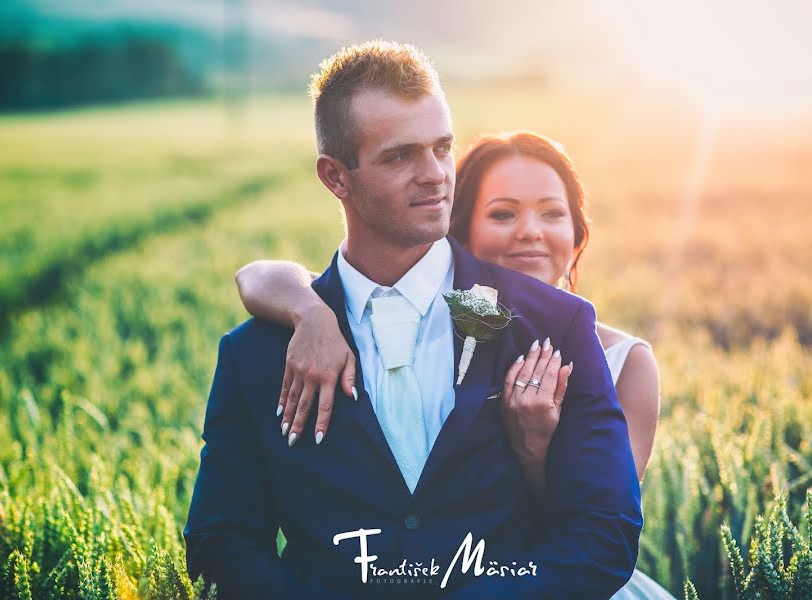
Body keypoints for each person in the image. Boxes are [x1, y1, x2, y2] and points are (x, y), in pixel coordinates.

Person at [184, 40, 642, 599]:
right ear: (335, 177)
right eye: (400, 156)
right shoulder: (256, 353)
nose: (435, 176)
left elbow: (603, 535)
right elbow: (221, 543)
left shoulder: (556, 324)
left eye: (442, 148)